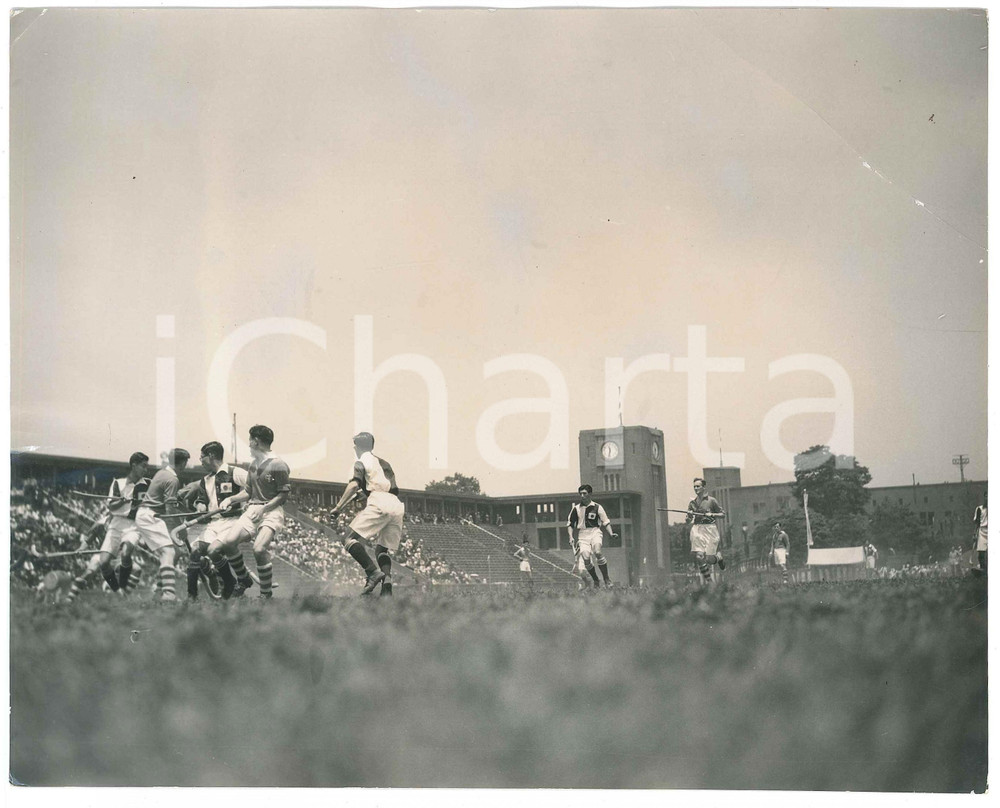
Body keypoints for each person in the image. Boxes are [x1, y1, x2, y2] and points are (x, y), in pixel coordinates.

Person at [207, 425, 290, 599]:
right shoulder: (253, 465)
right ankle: (244, 579)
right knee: (229, 542)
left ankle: (265, 596)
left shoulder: (278, 464)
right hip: (253, 509)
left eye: (250, 440)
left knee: (259, 549)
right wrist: (231, 499)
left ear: (256, 441)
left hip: (271, 510)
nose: (249, 444)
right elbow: (248, 492)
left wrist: (264, 508)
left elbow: (283, 495)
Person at [66, 452, 151, 602]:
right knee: (103, 563)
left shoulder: (148, 484)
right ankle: (118, 591)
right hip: (117, 523)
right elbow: (112, 507)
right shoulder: (118, 483)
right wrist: (123, 500)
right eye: (143, 466)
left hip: (133, 524)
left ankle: (123, 589)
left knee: (126, 554)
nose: (146, 470)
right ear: (134, 465)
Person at [330, 432, 404, 596]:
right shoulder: (384, 463)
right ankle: (387, 586)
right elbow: (390, 487)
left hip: (379, 502)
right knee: (381, 550)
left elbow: (353, 486)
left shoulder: (360, 461)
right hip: (396, 504)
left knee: (349, 539)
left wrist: (338, 507)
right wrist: (367, 493)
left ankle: (372, 572)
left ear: (356, 447)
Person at [184, 441, 247, 600]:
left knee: (213, 551)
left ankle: (229, 583)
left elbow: (254, 487)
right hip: (213, 523)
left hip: (232, 521)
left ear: (211, 456)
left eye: (202, 457)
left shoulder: (235, 472)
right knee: (196, 551)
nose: (201, 461)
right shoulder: (205, 480)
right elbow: (201, 501)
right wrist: (200, 507)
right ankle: (192, 596)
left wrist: (239, 501)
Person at [133, 448, 191, 601]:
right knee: (169, 553)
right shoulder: (172, 479)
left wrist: (188, 511)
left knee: (176, 553)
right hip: (149, 516)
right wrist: (180, 528)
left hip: (150, 514)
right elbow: (170, 508)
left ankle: (158, 591)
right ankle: (168, 594)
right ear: (182, 463)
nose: (186, 466)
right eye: (186, 462)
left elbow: (172, 503)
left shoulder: (161, 473)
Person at [567, 484, 617, 588]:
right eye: (580, 493)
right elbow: (570, 524)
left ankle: (607, 579)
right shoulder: (576, 509)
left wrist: (611, 533)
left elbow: (606, 522)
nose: (582, 496)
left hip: (595, 532)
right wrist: (571, 536)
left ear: (590, 494)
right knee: (586, 558)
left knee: (597, 552)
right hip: (583, 535)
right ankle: (596, 580)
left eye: (584, 493)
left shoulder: (597, 507)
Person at [685, 477, 726, 584]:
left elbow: (723, 514)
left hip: (710, 529)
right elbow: (688, 520)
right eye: (694, 486)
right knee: (699, 556)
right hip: (697, 529)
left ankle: (719, 558)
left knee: (708, 559)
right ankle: (709, 582)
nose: (696, 488)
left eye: (698, 486)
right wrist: (688, 517)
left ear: (703, 487)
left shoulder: (711, 500)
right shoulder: (692, 503)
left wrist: (712, 514)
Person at [973, 490, 987, 574]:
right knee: (981, 552)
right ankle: (983, 569)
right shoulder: (979, 509)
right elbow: (977, 522)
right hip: (982, 531)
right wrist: (974, 533)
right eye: (986, 496)